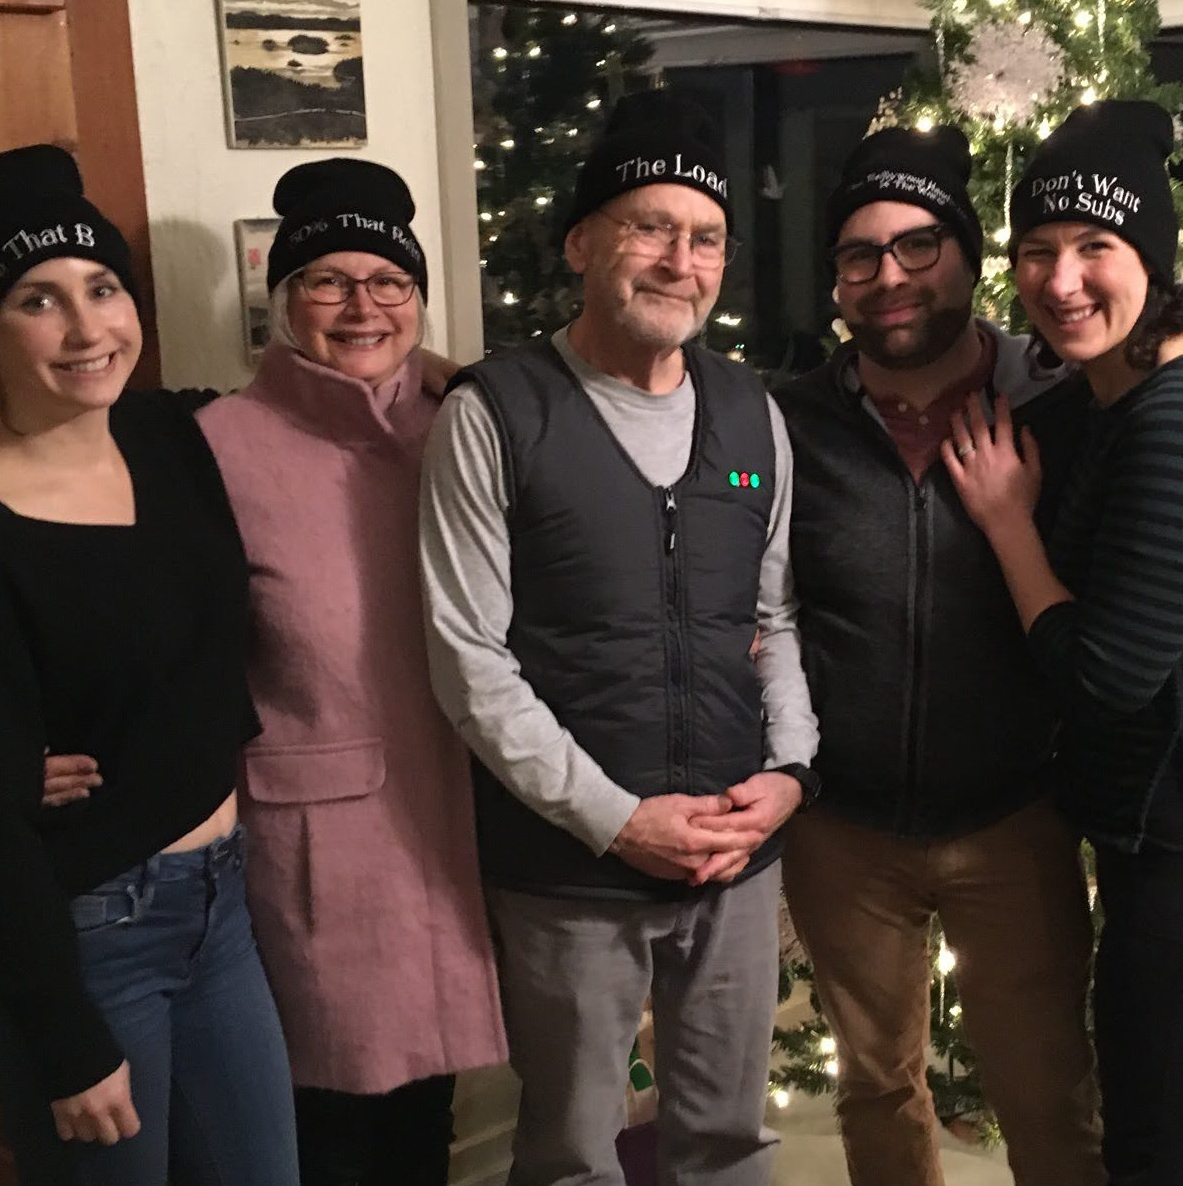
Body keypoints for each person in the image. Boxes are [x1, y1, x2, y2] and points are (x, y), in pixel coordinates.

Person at [419, 89, 820, 1186]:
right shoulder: (497, 412)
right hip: (569, 873)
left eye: (706, 239)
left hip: (738, 858)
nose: (679, 260)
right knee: (567, 1153)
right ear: (584, 240)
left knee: (730, 1142)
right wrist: (616, 820)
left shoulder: (753, 415)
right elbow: (469, 660)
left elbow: (771, 621)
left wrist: (789, 772)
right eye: (650, 227)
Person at [772, 125, 1105, 1186]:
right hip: (846, 832)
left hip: (1014, 818)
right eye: (860, 256)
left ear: (966, 258)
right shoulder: (786, 424)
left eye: (919, 246)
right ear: (836, 282)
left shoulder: (1059, 404)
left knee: (1049, 1094)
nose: (890, 277)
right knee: (877, 1089)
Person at [0, 144, 298, 1185]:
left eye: (103, 288)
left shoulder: (169, 433)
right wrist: (65, 1042)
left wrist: (450, 377)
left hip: (221, 909)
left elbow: (311, 399)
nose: (88, 329)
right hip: (84, 935)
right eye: (38, 299)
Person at [194, 157, 507, 1186]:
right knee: (321, 1132)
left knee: (426, 1122)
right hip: (317, 857)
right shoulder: (216, 448)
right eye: (328, 280)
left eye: (389, 281)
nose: (362, 305)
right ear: (285, 302)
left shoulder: (466, 426)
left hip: (458, 832)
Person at [944, 99, 1183, 1186]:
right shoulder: (1108, 399)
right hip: (1154, 841)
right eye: (1037, 250)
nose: (1061, 282)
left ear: (1151, 256)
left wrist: (1006, 526)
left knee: (1159, 1143)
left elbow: (1106, 678)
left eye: (1096, 247)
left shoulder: (1178, 413)